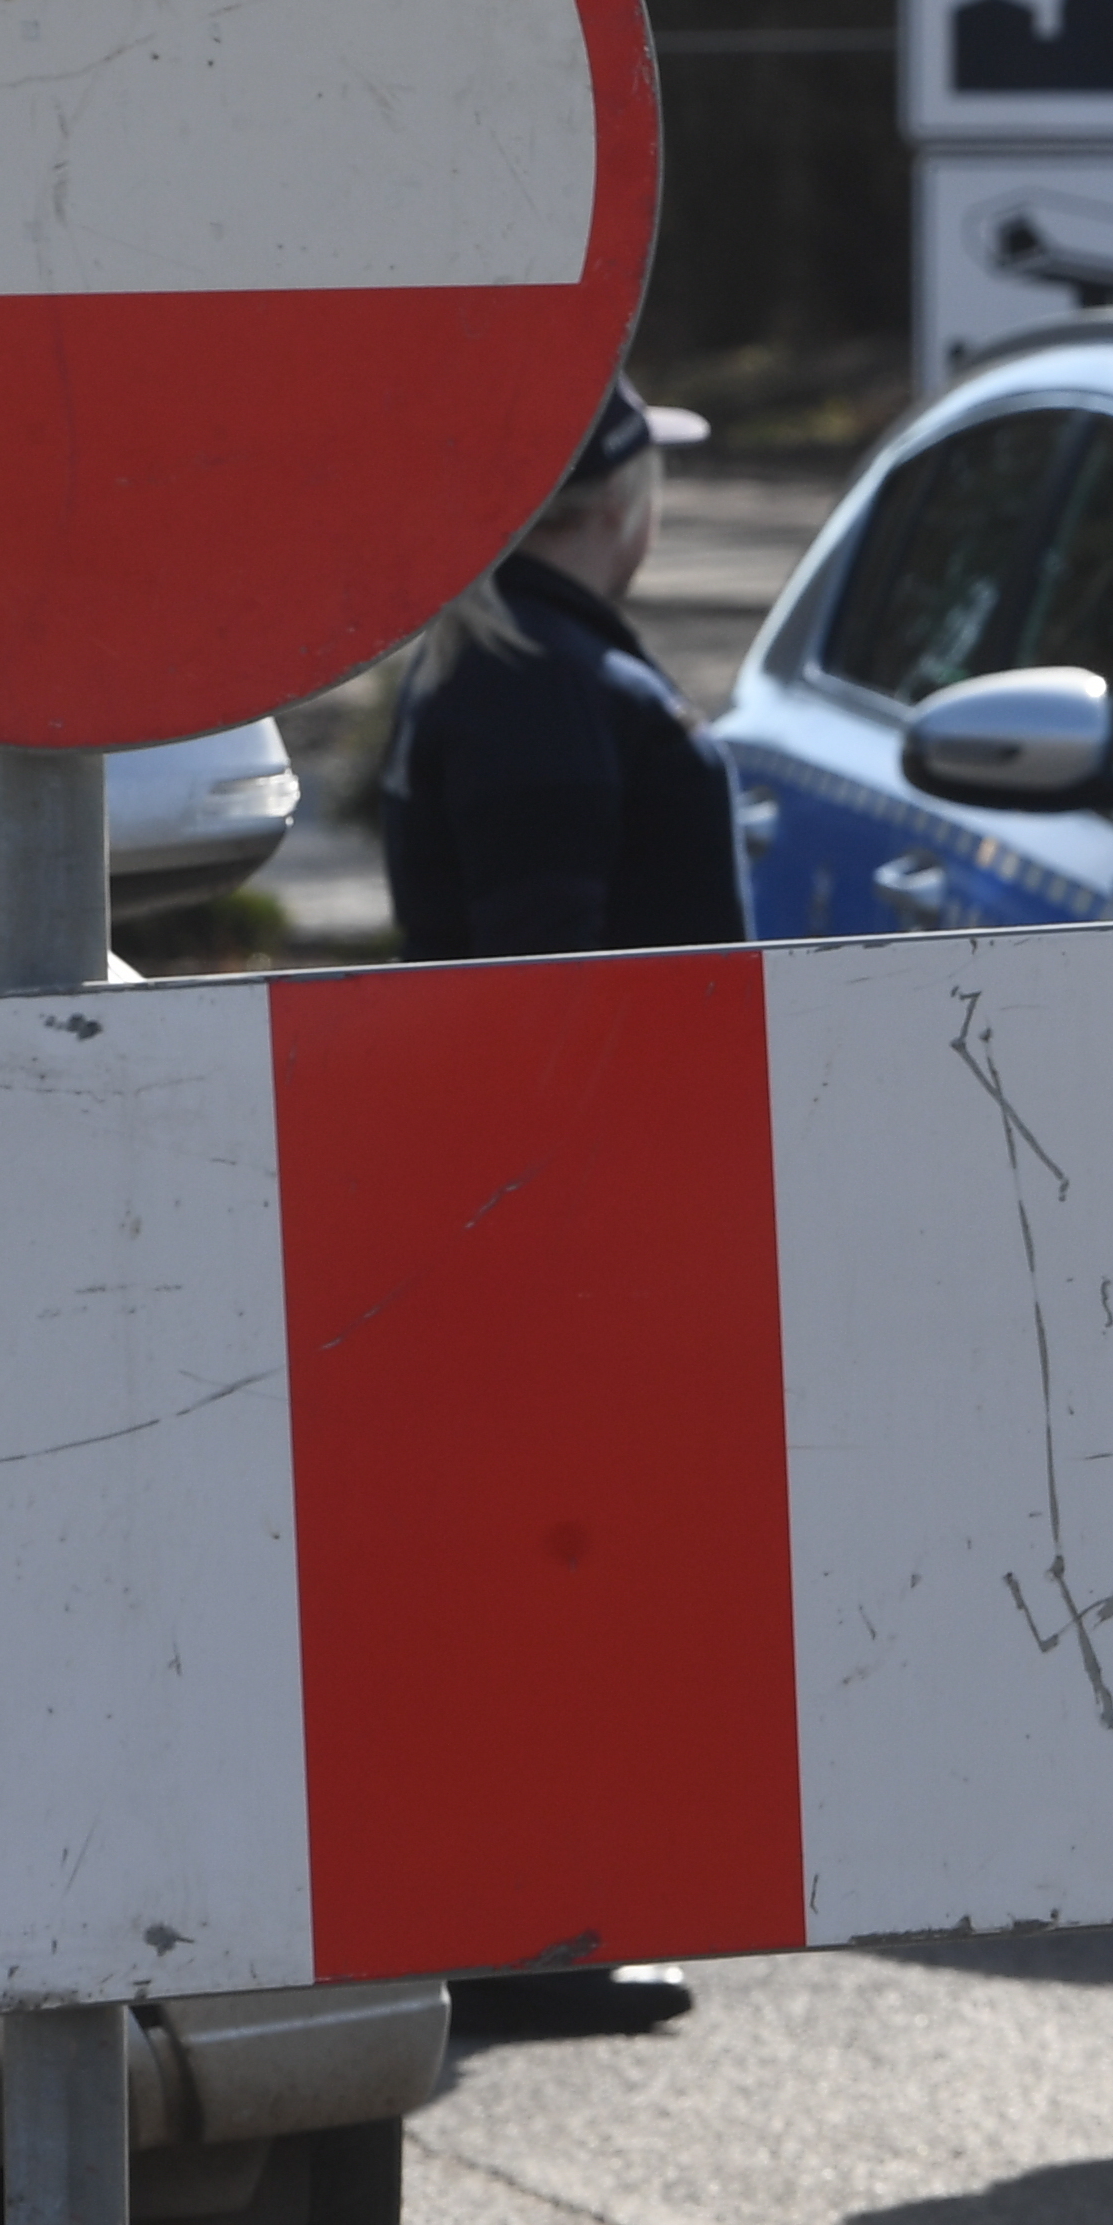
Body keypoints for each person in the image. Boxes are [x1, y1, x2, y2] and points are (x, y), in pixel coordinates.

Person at [378, 369, 737, 2043]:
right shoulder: (539, 694)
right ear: (614, 502)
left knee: (555, 1573)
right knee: (552, 1579)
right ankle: (528, 1930)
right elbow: (553, 1004)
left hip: (556, 1217)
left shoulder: (528, 667)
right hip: (567, 1223)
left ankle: (540, 1915)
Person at [380, 372, 740, 964]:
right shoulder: (536, 686)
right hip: (621, 1054)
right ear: (616, 499)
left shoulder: (514, 654)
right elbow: (543, 970)